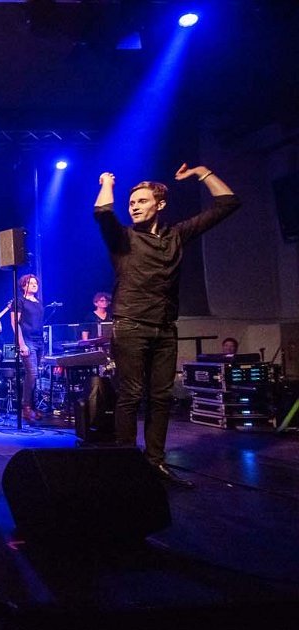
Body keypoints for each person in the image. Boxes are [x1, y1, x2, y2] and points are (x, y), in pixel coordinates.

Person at [95, 164, 240, 487]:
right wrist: (107, 183)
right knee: (131, 394)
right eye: (131, 203)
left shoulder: (176, 235)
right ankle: (125, 466)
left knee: (161, 397)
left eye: (142, 201)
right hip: (131, 324)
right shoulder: (123, 239)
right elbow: (103, 212)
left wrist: (202, 173)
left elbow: (228, 203)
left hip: (164, 327)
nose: (134, 207)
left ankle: (155, 463)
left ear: (160, 204)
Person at [10, 274, 44, 423]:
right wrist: (21, 344)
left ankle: (34, 407)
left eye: (36, 283)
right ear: (23, 286)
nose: (35, 285)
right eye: (31, 283)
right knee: (32, 373)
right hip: (27, 340)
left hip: (39, 341)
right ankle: (26, 407)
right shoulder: (19, 301)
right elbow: (14, 323)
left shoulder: (38, 302)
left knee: (36, 375)